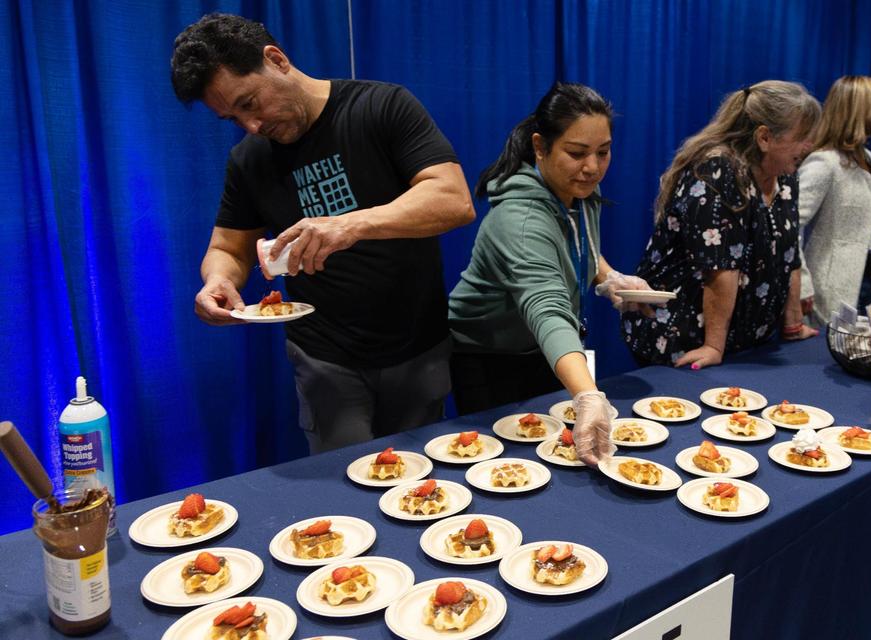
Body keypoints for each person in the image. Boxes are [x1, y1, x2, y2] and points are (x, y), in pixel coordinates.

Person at [171, 13, 474, 453]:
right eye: (232, 118)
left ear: (275, 60)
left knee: (418, 488)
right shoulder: (249, 159)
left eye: (250, 102)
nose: (251, 126)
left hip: (417, 347)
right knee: (342, 495)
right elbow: (227, 248)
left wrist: (350, 224)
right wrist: (217, 281)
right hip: (324, 359)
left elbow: (453, 199)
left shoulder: (381, 107)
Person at [449, 83, 651, 466]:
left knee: (557, 456)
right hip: (491, 355)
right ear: (540, 147)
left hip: (547, 349)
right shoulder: (520, 220)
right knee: (509, 466)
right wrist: (589, 395)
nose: (592, 167)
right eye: (577, 153)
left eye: (603, 152)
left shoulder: (579, 192)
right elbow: (546, 305)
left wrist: (608, 277)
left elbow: (574, 248)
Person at [622, 81, 821, 369]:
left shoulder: (786, 175)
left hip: (745, 347)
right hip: (685, 339)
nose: (809, 146)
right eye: (802, 136)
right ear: (764, 137)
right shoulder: (719, 170)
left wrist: (792, 323)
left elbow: (790, 252)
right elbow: (720, 267)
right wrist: (714, 346)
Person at [798, 75, 871, 324]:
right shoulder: (824, 163)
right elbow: (787, 227)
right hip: (835, 291)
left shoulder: (866, 157)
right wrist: (802, 284)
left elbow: (870, 212)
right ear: (860, 110)